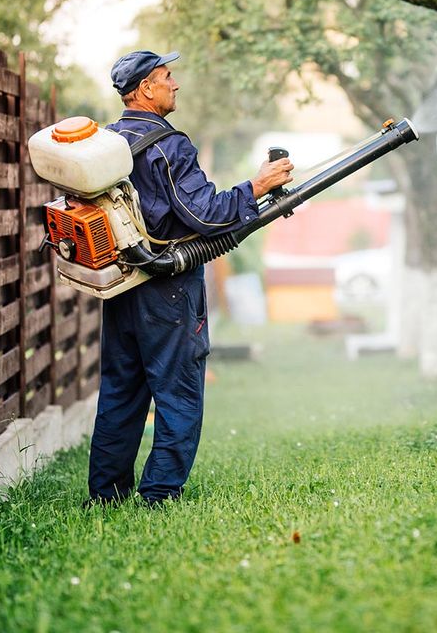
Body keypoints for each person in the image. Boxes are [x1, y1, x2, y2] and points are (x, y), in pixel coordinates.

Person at [86, 50, 293, 506]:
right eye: (167, 77)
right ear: (145, 88)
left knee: (120, 391)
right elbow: (207, 215)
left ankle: (105, 495)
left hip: (122, 285)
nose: (175, 84)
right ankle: (160, 494)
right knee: (178, 392)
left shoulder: (108, 142)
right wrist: (258, 186)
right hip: (168, 290)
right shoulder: (168, 144)